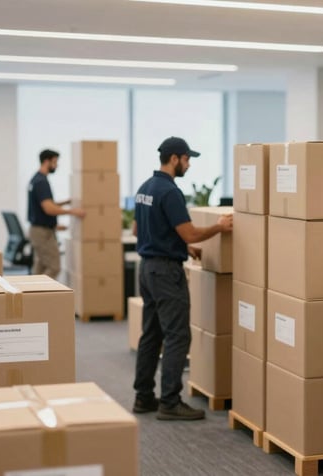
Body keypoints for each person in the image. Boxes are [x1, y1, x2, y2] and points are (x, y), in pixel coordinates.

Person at [132, 136, 233, 421]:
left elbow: (139, 230)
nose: (189, 165)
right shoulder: (170, 191)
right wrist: (219, 226)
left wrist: (181, 246)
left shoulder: (145, 188)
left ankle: (143, 397)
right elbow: (189, 232)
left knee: (151, 335)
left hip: (147, 269)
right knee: (177, 335)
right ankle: (170, 401)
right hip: (166, 273)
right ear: (174, 158)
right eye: (187, 159)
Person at [27, 148, 85, 278]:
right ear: (47, 162)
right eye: (55, 162)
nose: (57, 165)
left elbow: (45, 204)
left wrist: (66, 202)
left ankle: (34, 296)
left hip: (38, 230)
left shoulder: (35, 179)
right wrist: (73, 212)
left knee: (40, 267)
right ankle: (44, 295)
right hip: (42, 233)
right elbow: (49, 209)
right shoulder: (41, 182)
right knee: (54, 267)